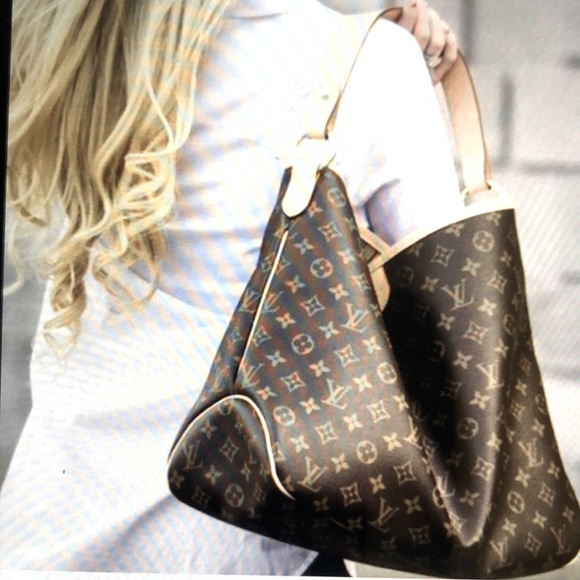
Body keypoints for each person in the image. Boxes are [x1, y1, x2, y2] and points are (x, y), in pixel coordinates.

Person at [1, 0, 460, 574]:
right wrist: (409, 82)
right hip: (235, 540)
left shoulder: (91, 40)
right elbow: (444, 325)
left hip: (48, 528)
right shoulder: (366, 61)